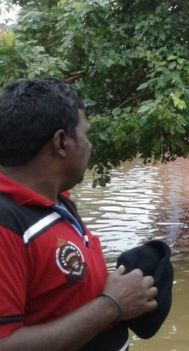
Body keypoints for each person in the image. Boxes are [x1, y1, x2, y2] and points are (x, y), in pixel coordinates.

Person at [0, 79, 158, 351]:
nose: (89, 145)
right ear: (61, 142)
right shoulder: (7, 224)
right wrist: (111, 305)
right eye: (85, 134)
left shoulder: (57, 203)